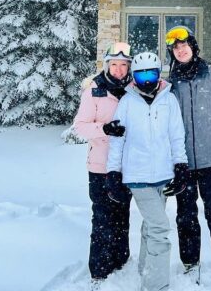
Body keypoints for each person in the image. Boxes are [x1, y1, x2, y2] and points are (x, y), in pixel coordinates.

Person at [105, 52, 189, 291]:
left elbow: (176, 136)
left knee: (151, 225)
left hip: (163, 174)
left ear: (158, 74)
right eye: (141, 75)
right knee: (160, 228)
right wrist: (113, 172)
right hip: (138, 176)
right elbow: (117, 141)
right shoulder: (127, 102)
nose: (147, 80)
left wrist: (180, 166)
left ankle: (145, 267)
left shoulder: (168, 99)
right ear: (134, 77)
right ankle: (156, 285)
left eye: (151, 74)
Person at [164, 25, 211, 291]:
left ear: (193, 47)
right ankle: (190, 263)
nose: (180, 50)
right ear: (172, 53)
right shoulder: (170, 84)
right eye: (175, 48)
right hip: (182, 163)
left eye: (184, 45)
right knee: (185, 216)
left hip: (209, 160)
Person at [73, 42, 134, 289]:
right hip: (100, 167)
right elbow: (80, 126)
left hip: (126, 167)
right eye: (114, 64)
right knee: (102, 219)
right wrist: (104, 130)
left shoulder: (133, 89)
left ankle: (120, 262)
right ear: (107, 65)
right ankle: (99, 271)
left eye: (123, 65)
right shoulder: (95, 90)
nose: (118, 70)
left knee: (122, 216)